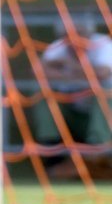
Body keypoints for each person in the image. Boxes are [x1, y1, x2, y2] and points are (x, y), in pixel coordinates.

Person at [32, 15, 112, 179]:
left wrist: (69, 67)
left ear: (88, 34)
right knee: (42, 92)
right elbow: (39, 71)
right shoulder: (58, 47)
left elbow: (102, 73)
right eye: (68, 35)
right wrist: (84, 72)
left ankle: (97, 150)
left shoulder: (102, 44)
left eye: (79, 34)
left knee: (104, 91)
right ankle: (52, 149)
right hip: (71, 115)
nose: (74, 40)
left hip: (102, 118)